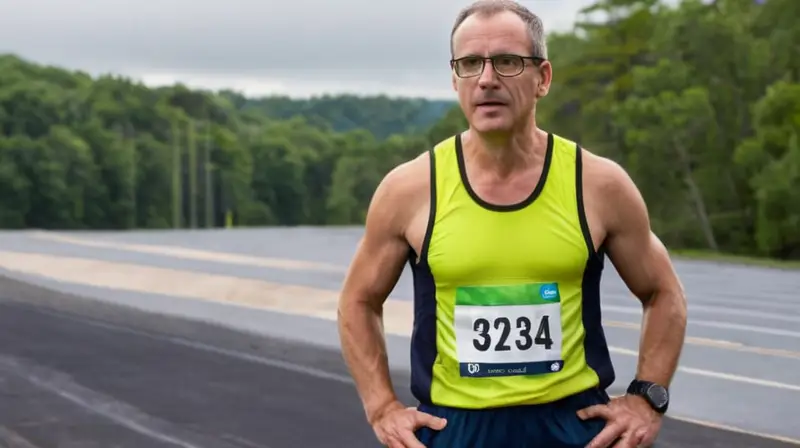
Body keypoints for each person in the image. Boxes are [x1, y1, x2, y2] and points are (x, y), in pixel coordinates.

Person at [336, 1, 688, 447]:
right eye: (470, 64)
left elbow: (664, 292)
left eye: (507, 62)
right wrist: (381, 406)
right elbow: (357, 301)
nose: (487, 79)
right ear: (454, 79)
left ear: (542, 78)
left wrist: (646, 397)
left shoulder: (598, 184)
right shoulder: (410, 189)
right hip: (455, 429)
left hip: (573, 426)